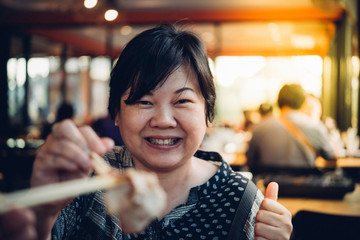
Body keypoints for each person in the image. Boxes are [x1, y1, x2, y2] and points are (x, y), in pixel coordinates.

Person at [30, 24, 292, 240]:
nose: (163, 120)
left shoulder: (242, 202)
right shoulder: (84, 179)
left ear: (207, 113)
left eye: (182, 101)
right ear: (117, 115)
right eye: (144, 101)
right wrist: (43, 213)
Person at [246, 84, 336, 171]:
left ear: (278, 102)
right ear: (302, 103)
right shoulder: (316, 126)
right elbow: (331, 157)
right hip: (306, 185)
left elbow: (250, 160)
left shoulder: (258, 128)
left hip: (269, 184)